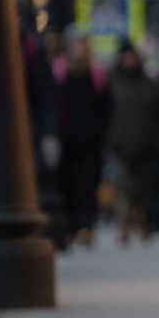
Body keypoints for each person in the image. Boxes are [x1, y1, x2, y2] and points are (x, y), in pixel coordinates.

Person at [105, 44, 159, 244]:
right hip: (119, 144)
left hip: (146, 145)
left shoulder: (150, 86)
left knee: (143, 189)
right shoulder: (111, 84)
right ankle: (123, 224)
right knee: (123, 187)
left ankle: (142, 220)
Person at [55, 34, 110, 247]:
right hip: (66, 140)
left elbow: (105, 107)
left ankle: (85, 226)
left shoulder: (96, 75)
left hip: (91, 141)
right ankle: (70, 226)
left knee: (87, 185)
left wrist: (100, 132)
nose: (80, 51)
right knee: (67, 184)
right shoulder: (60, 71)